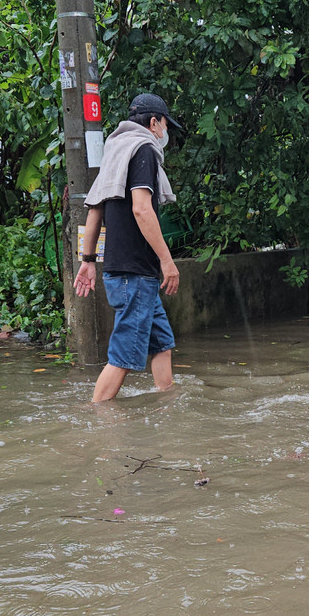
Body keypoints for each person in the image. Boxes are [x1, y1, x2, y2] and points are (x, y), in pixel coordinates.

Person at [74, 93, 183, 402]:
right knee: (123, 356)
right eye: (164, 125)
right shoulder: (144, 149)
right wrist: (167, 261)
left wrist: (87, 260)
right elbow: (141, 209)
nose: (165, 132)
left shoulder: (115, 152)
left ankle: (168, 402)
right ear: (153, 122)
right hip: (136, 274)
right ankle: (96, 421)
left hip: (125, 273)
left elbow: (95, 211)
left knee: (161, 342)